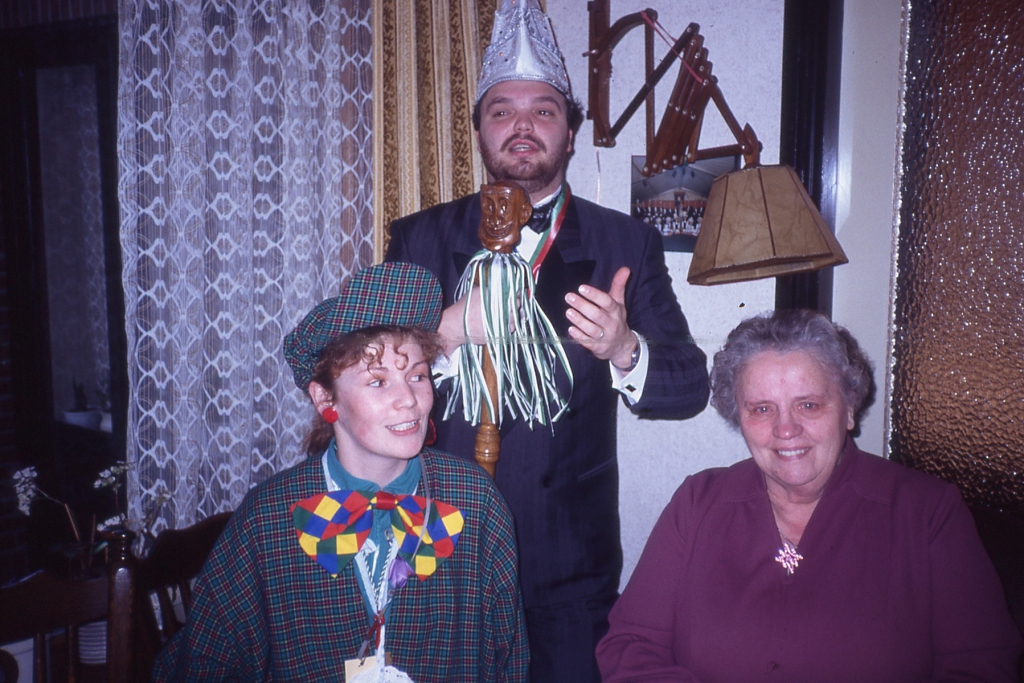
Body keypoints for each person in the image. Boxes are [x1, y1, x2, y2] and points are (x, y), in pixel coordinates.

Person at [385, 1, 708, 680]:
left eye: (543, 110)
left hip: (569, 566)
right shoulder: (418, 238)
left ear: (570, 132)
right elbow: (360, 379)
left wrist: (624, 349)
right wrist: (445, 331)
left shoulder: (625, 242)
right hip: (435, 552)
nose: (522, 125)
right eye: (502, 110)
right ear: (479, 130)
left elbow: (689, 385)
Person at [597, 309, 1023, 682]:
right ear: (738, 416)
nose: (786, 429)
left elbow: (982, 666)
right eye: (762, 409)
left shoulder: (928, 512)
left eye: (808, 405)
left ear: (849, 408)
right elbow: (631, 647)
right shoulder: (697, 504)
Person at [153, 263, 529, 682]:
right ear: (325, 399)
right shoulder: (268, 519)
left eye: (417, 375)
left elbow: (510, 661)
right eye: (378, 382)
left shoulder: (474, 500)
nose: (409, 399)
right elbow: (204, 664)